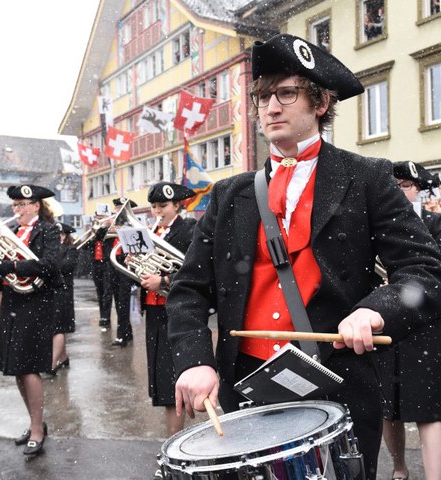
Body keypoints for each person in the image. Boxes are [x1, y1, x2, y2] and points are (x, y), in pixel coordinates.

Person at [166, 34, 441, 479]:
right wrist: (196, 359)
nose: (271, 107)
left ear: (320, 102)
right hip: (245, 386)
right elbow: (188, 291)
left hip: (338, 385)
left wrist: (374, 311)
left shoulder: (367, 177)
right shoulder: (229, 194)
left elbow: (425, 271)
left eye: (286, 92)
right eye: (262, 96)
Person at [377, 161, 441, 480]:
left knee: (430, 407)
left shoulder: (436, 224)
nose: (401, 191)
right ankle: (399, 469)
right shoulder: (377, 225)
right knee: (390, 409)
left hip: (426, 326)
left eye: (406, 185)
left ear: (417, 187)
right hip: (386, 326)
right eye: (395, 185)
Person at [0, 184, 63, 456]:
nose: (18, 210)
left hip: (36, 302)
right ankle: (35, 422)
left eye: (23, 205)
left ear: (36, 206)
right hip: (14, 300)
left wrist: (14, 266)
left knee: (29, 367)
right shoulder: (12, 231)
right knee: (16, 368)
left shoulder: (48, 230)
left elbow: (50, 265)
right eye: (15, 205)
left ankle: (37, 429)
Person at [134, 182, 196, 443]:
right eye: (154, 206)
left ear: (176, 205)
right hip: (154, 311)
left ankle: (175, 442)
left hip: (175, 311)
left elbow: (195, 269)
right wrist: (135, 262)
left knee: (172, 381)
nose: (157, 211)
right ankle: (172, 440)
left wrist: (165, 281)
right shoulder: (150, 231)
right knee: (162, 381)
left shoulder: (188, 230)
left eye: (163, 206)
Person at [107, 197, 137, 347]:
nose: (117, 211)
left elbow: (136, 247)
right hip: (113, 264)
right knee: (117, 300)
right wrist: (105, 227)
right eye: (117, 208)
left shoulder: (132, 225)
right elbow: (100, 239)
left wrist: (123, 229)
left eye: (121, 208)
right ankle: (127, 332)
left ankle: (122, 336)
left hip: (126, 264)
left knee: (123, 301)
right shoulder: (113, 225)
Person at [50, 222, 79, 374]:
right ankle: (63, 357)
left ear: (64, 235)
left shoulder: (71, 249)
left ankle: (53, 364)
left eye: (59, 234)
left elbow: (65, 266)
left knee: (58, 328)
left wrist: (49, 262)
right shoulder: (52, 249)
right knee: (57, 326)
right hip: (52, 291)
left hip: (64, 291)